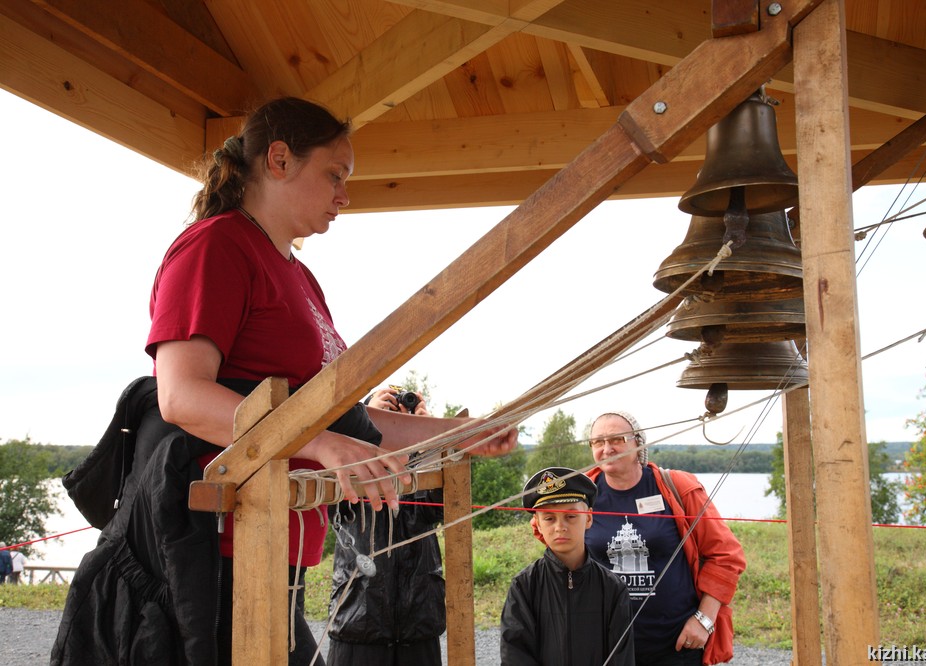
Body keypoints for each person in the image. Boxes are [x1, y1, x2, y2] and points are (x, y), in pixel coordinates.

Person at [51, 96, 517, 666]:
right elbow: (182, 395)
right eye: (335, 175)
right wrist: (318, 444)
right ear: (278, 160)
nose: (345, 194)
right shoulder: (215, 245)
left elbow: (348, 421)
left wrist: (461, 433)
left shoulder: (300, 277)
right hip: (204, 563)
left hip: (274, 559)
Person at [585, 411, 746, 666]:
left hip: (674, 646)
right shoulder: (581, 497)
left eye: (617, 439)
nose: (607, 449)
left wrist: (704, 620)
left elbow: (726, 556)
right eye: (598, 442)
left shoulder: (676, 487)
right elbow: (551, 536)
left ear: (638, 442)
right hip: (605, 645)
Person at [326, 387, 446, 665]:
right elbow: (336, 500)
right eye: (384, 417)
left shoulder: (420, 469)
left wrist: (429, 438)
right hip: (357, 624)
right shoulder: (349, 462)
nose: (393, 427)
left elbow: (442, 502)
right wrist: (364, 422)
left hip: (419, 625)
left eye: (400, 420)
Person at [500, 466, 634, 666]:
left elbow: (622, 659)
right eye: (549, 518)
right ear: (536, 523)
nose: (560, 527)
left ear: (588, 518)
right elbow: (515, 656)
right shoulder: (525, 586)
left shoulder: (612, 588)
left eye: (571, 516)